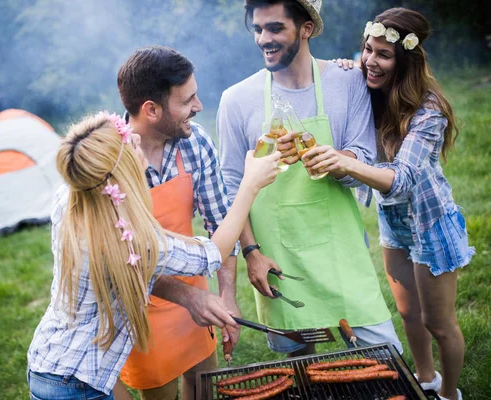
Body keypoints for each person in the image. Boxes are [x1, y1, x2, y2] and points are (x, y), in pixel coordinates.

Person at [26, 111, 280, 400]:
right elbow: (213, 253)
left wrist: (189, 296)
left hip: (51, 360)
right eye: (131, 145)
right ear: (120, 174)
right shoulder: (131, 239)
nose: (137, 140)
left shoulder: (70, 196)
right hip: (77, 384)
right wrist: (250, 186)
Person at [217, 0, 403, 357]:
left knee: (384, 357)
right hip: (278, 258)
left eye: (275, 28)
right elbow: (230, 188)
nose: (263, 39)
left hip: (340, 251)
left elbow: (363, 155)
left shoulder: (348, 81)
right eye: (257, 29)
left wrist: (338, 161)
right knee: (300, 365)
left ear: (306, 28)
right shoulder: (236, 100)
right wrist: (251, 253)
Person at [306, 8, 474, 400]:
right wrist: (343, 69)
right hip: (394, 222)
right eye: (368, 50)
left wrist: (345, 162)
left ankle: (449, 394)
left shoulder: (428, 109)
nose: (371, 61)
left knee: (439, 323)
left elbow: (403, 179)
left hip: (431, 222)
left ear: (406, 61)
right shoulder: (369, 90)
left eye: (384, 54)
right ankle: (426, 379)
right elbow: (333, 83)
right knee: (408, 315)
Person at [116, 45, 244, 400]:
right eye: (187, 100)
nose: (198, 107)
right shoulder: (111, 161)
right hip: (139, 302)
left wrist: (227, 296)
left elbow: (220, 222)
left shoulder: (195, 142)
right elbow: (125, 259)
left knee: (204, 385)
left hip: (195, 290)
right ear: (151, 110)